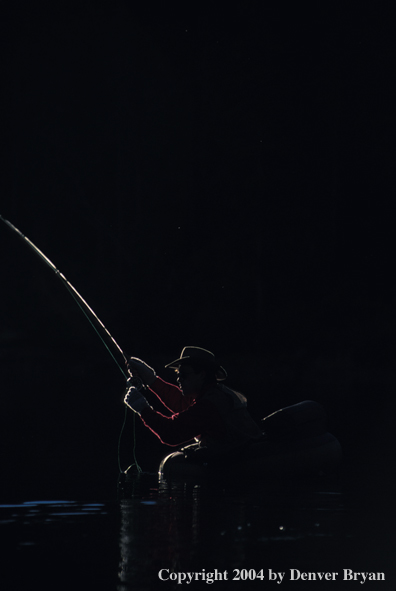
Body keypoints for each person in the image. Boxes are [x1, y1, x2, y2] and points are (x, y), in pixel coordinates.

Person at [124, 346, 262, 460]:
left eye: (183, 374)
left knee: (174, 462)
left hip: (239, 460)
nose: (179, 379)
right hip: (240, 453)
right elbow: (181, 403)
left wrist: (143, 409)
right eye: (178, 374)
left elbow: (171, 432)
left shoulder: (209, 405)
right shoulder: (213, 394)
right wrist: (150, 378)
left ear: (202, 375)